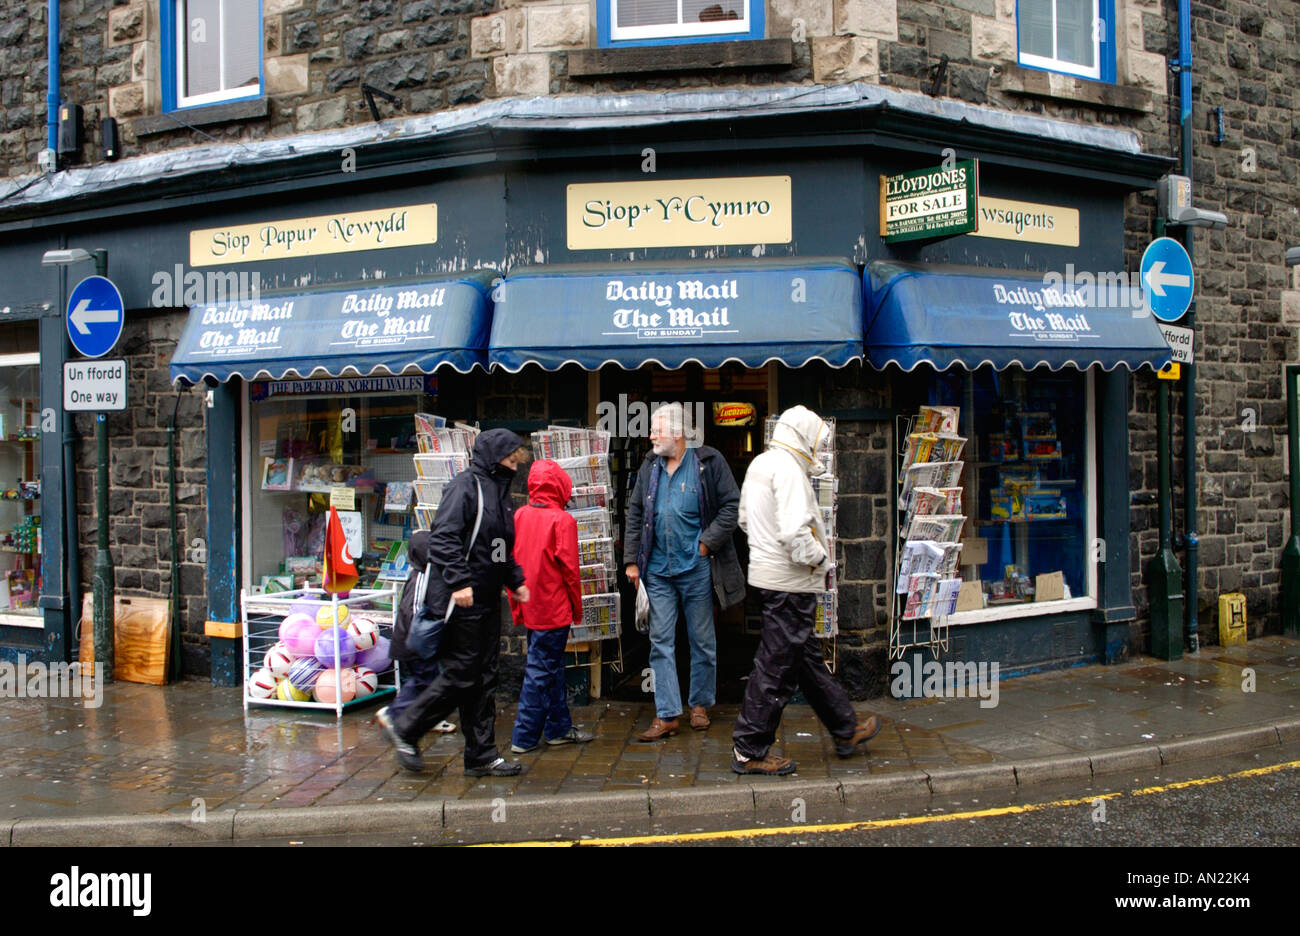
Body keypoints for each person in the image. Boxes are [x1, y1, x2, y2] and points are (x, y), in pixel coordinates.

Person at [731, 405, 880, 776]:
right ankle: (748, 748)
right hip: (791, 584)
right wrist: (820, 561)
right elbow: (796, 533)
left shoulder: (761, 465)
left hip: (770, 578)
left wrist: (769, 554)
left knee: (805, 662)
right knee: (776, 667)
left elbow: (745, 520)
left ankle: (845, 729)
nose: (818, 445)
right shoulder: (790, 471)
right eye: (816, 438)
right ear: (805, 436)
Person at [378, 428, 530, 776]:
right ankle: (406, 726)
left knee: (483, 678)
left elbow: (500, 548)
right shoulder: (465, 486)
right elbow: (443, 538)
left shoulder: (500, 492)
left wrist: (515, 581)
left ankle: (482, 756)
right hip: (460, 603)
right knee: (463, 675)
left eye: (515, 455)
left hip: (488, 601)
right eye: (508, 455)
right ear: (493, 455)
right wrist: (460, 582)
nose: (514, 461)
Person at [624, 402, 745, 741]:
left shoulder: (709, 462)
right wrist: (633, 560)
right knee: (660, 641)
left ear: (677, 434)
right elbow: (635, 511)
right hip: (659, 571)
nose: (650, 436)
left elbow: (731, 507)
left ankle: (700, 705)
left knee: (702, 640)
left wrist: (705, 545)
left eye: (656, 430)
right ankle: (666, 714)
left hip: (696, 569)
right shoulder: (650, 465)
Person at [507, 459, 595, 753]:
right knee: (541, 672)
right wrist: (576, 608)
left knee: (551, 668)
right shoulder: (562, 521)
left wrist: (516, 606)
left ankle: (558, 728)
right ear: (560, 486)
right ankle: (524, 737)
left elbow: (514, 563)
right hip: (553, 608)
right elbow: (570, 571)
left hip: (530, 605)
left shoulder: (520, 515)